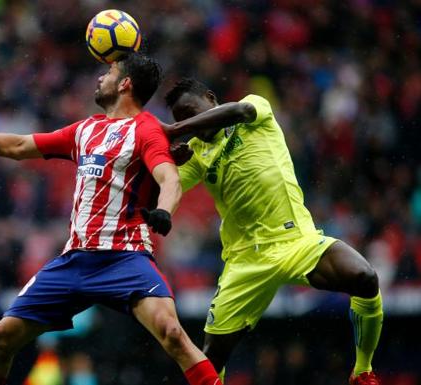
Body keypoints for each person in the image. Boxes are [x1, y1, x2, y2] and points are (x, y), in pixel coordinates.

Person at [0, 54, 220, 385]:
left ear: (125, 84)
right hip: (75, 261)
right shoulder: (85, 129)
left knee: (172, 333)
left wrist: (165, 212)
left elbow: (169, 177)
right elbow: (18, 145)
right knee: (0, 337)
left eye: (109, 72)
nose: (101, 78)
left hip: (124, 258)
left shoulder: (146, 129)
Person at [162, 78, 383, 385]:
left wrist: (175, 130)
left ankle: (363, 370)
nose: (189, 123)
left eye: (190, 112)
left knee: (365, 277)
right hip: (246, 262)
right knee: (210, 361)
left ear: (210, 98)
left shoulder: (254, 108)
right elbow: (165, 189)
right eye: (180, 119)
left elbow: (239, 110)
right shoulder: (197, 153)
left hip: (296, 242)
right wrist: (165, 161)